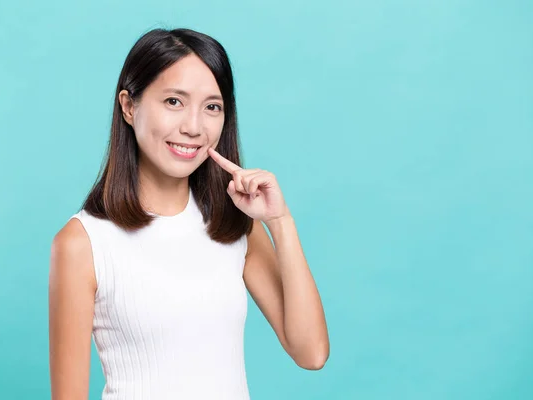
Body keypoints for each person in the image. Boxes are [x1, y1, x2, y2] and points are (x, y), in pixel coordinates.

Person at [48, 27, 329, 399]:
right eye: (174, 102)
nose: (194, 127)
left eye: (212, 107)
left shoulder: (232, 225)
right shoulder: (82, 243)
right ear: (129, 106)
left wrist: (279, 221)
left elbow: (311, 352)